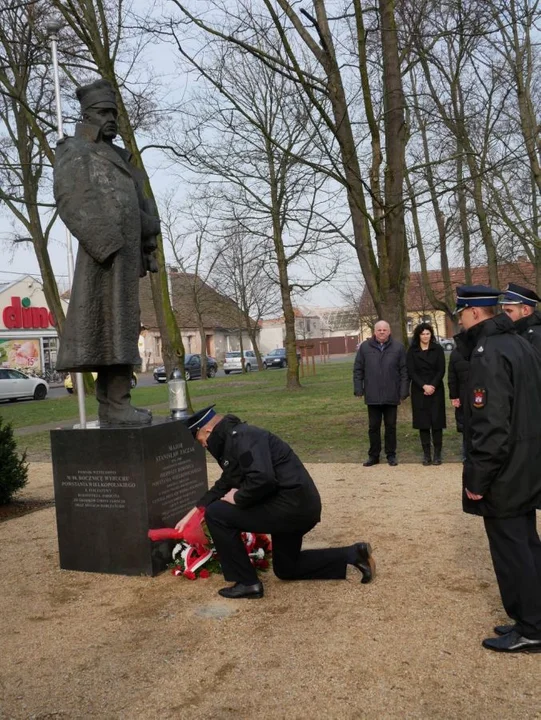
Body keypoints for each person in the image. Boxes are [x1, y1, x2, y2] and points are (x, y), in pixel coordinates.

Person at [175, 407, 376, 599]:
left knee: (217, 514)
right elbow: (227, 481)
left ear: (208, 430)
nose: (203, 445)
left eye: (201, 440)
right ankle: (354, 554)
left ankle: (247, 583)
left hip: (291, 507)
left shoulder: (243, 438)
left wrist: (238, 498)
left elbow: (263, 479)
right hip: (294, 505)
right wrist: (194, 511)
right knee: (287, 569)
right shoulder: (236, 438)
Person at [53, 79, 160, 426]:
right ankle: (114, 406)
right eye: (103, 112)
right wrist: (107, 243)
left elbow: (136, 204)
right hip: (105, 258)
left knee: (123, 330)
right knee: (108, 332)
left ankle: (116, 405)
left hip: (127, 258)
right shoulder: (74, 150)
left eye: (114, 112)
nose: (111, 118)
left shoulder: (123, 157)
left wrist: (147, 233)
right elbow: (71, 198)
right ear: (86, 114)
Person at [455, 284, 541, 653]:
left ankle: (532, 628)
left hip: (505, 471)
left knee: (512, 551)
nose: (459, 319)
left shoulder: (488, 351)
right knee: (526, 544)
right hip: (525, 464)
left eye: (460, 312)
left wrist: (477, 479)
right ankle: (532, 616)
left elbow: (491, 426)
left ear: (475, 312)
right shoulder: (518, 342)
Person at [353, 320, 409, 467]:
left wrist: (403, 392)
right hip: (372, 395)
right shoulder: (365, 348)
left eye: (385, 330)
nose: (382, 332)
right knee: (373, 427)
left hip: (392, 394)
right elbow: (358, 369)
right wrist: (358, 389)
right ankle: (374, 456)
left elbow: (404, 371)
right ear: (374, 332)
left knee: (391, 426)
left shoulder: (398, 348)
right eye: (379, 330)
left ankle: (391, 455)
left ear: (389, 331)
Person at [406, 323, 446, 465]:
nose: (425, 336)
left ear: (431, 335)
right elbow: (411, 371)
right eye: (423, 334)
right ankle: (426, 455)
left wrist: (432, 386)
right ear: (418, 335)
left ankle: (437, 455)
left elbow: (441, 370)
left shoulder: (438, 349)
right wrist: (423, 386)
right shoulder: (412, 351)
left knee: (436, 422)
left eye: (428, 333)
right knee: (423, 423)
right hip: (419, 390)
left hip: (436, 390)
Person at [500, 282, 541, 355]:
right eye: (504, 311)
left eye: (509, 311)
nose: (505, 315)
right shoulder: (517, 331)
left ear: (525, 310)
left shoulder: (536, 336)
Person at [447, 334, 469, 461]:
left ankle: (466, 455)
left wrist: (454, 396)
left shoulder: (455, 354)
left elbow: (452, 378)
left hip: (462, 393)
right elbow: (452, 377)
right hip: (474, 393)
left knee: (466, 426)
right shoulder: (478, 349)